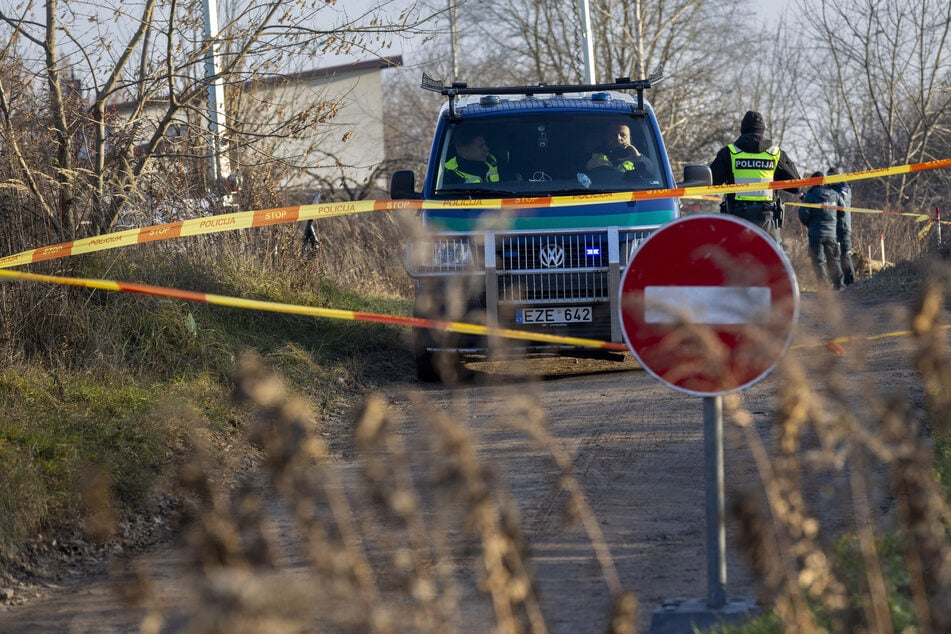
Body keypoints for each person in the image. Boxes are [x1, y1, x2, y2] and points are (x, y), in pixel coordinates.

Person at [710, 110, 801, 245]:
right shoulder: (775, 154)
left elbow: (712, 181)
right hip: (767, 218)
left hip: (736, 218)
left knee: (731, 260)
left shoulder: (729, 153)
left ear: (742, 130)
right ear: (763, 130)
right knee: (769, 261)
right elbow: (796, 186)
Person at [799, 172, 845, 290]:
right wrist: (833, 221)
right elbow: (842, 211)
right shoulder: (835, 194)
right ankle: (839, 285)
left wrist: (808, 224)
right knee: (834, 259)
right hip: (831, 234)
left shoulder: (810, 196)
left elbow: (803, 215)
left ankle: (824, 288)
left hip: (815, 233)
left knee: (818, 261)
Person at [584, 122, 655, 176]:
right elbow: (574, 174)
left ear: (630, 139)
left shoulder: (639, 160)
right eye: (613, 135)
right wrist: (587, 166)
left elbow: (655, 175)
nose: (618, 138)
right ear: (606, 139)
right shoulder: (592, 157)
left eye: (623, 135)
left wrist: (638, 157)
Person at [828, 166, 855, 286]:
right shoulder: (830, 188)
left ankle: (851, 283)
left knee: (845, 255)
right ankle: (840, 283)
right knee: (834, 255)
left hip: (843, 226)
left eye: (831, 177)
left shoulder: (844, 187)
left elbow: (842, 200)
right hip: (832, 227)